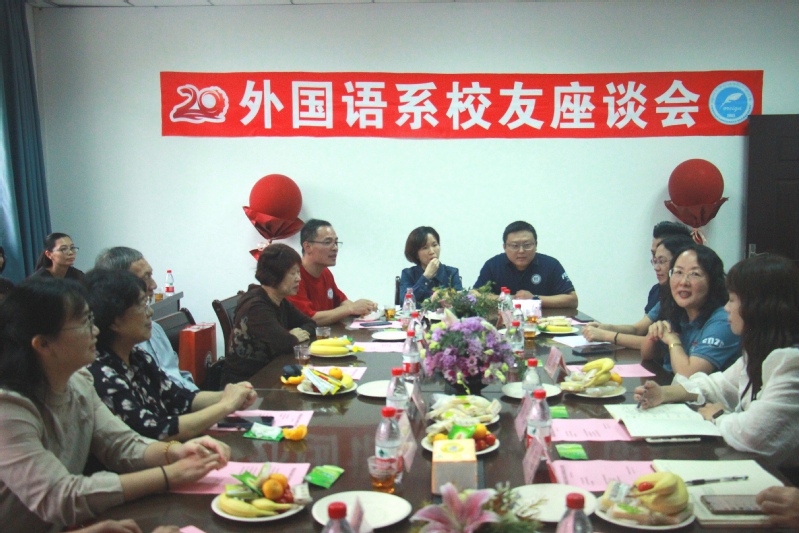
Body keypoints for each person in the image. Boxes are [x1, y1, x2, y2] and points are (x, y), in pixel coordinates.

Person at [0, 278, 231, 533]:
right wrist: (171, 475)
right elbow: (60, 496)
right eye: (84, 323)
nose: (95, 331)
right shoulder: (8, 408)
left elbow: (121, 444)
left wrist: (176, 452)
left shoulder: (78, 383)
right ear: (43, 344)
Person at [635, 254, 799, 470]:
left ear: (759, 307)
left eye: (733, 300)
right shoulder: (757, 353)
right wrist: (664, 393)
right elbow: (716, 385)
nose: (727, 308)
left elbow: (753, 435)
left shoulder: (791, 363)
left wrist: (719, 415)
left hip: (783, 479)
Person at [84, 269, 257, 441]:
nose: (150, 312)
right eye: (141, 305)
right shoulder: (100, 374)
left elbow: (180, 399)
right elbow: (155, 429)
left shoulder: (137, 357)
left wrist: (230, 394)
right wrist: (225, 405)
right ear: (115, 320)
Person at [94, 246, 197, 391]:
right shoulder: (113, 358)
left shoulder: (155, 329)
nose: (154, 285)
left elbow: (179, 378)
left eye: (151, 275)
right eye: (145, 278)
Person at [222, 244, 317, 385]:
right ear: (274, 275)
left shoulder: (280, 300)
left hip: (272, 373)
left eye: (299, 272)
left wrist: (293, 336)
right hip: (248, 383)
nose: (298, 278)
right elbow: (285, 343)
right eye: (293, 273)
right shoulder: (256, 307)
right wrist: (291, 337)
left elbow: (310, 323)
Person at [640, 243, 740, 376]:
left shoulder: (723, 321)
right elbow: (647, 355)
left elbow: (688, 374)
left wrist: (673, 341)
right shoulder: (681, 312)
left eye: (694, 274)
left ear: (713, 282)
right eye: (678, 272)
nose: (683, 282)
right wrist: (653, 333)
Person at [583, 235, 693, 349]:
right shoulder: (667, 296)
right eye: (655, 261)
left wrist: (606, 335)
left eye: (661, 261)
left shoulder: (686, 300)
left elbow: (658, 345)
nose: (656, 267)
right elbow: (638, 329)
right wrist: (604, 327)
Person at [286, 219, 377, 325]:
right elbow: (308, 319)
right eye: (327, 242)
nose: (335, 248)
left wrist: (364, 307)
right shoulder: (294, 276)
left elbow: (341, 301)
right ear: (307, 247)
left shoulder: (325, 272)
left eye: (336, 242)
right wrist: (351, 308)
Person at [473, 220, 577, 307]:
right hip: (502, 321)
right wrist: (510, 299)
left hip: (544, 321)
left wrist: (534, 299)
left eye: (527, 245)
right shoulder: (493, 265)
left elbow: (572, 300)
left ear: (536, 245)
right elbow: (474, 294)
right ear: (504, 247)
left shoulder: (551, 265)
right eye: (515, 246)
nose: (521, 251)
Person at [399, 226, 462, 303]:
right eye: (425, 248)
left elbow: (460, 302)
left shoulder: (452, 272)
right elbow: (406, 302)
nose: (432, 251)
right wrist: (426, 277)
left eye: (434, 245)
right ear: (416, 254)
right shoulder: (408, 274)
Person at [645, 221, 692, 313]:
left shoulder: (690, 296)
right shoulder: (656, 291)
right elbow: (644, 322)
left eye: (661, 259)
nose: (656, 267)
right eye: (654, 255)